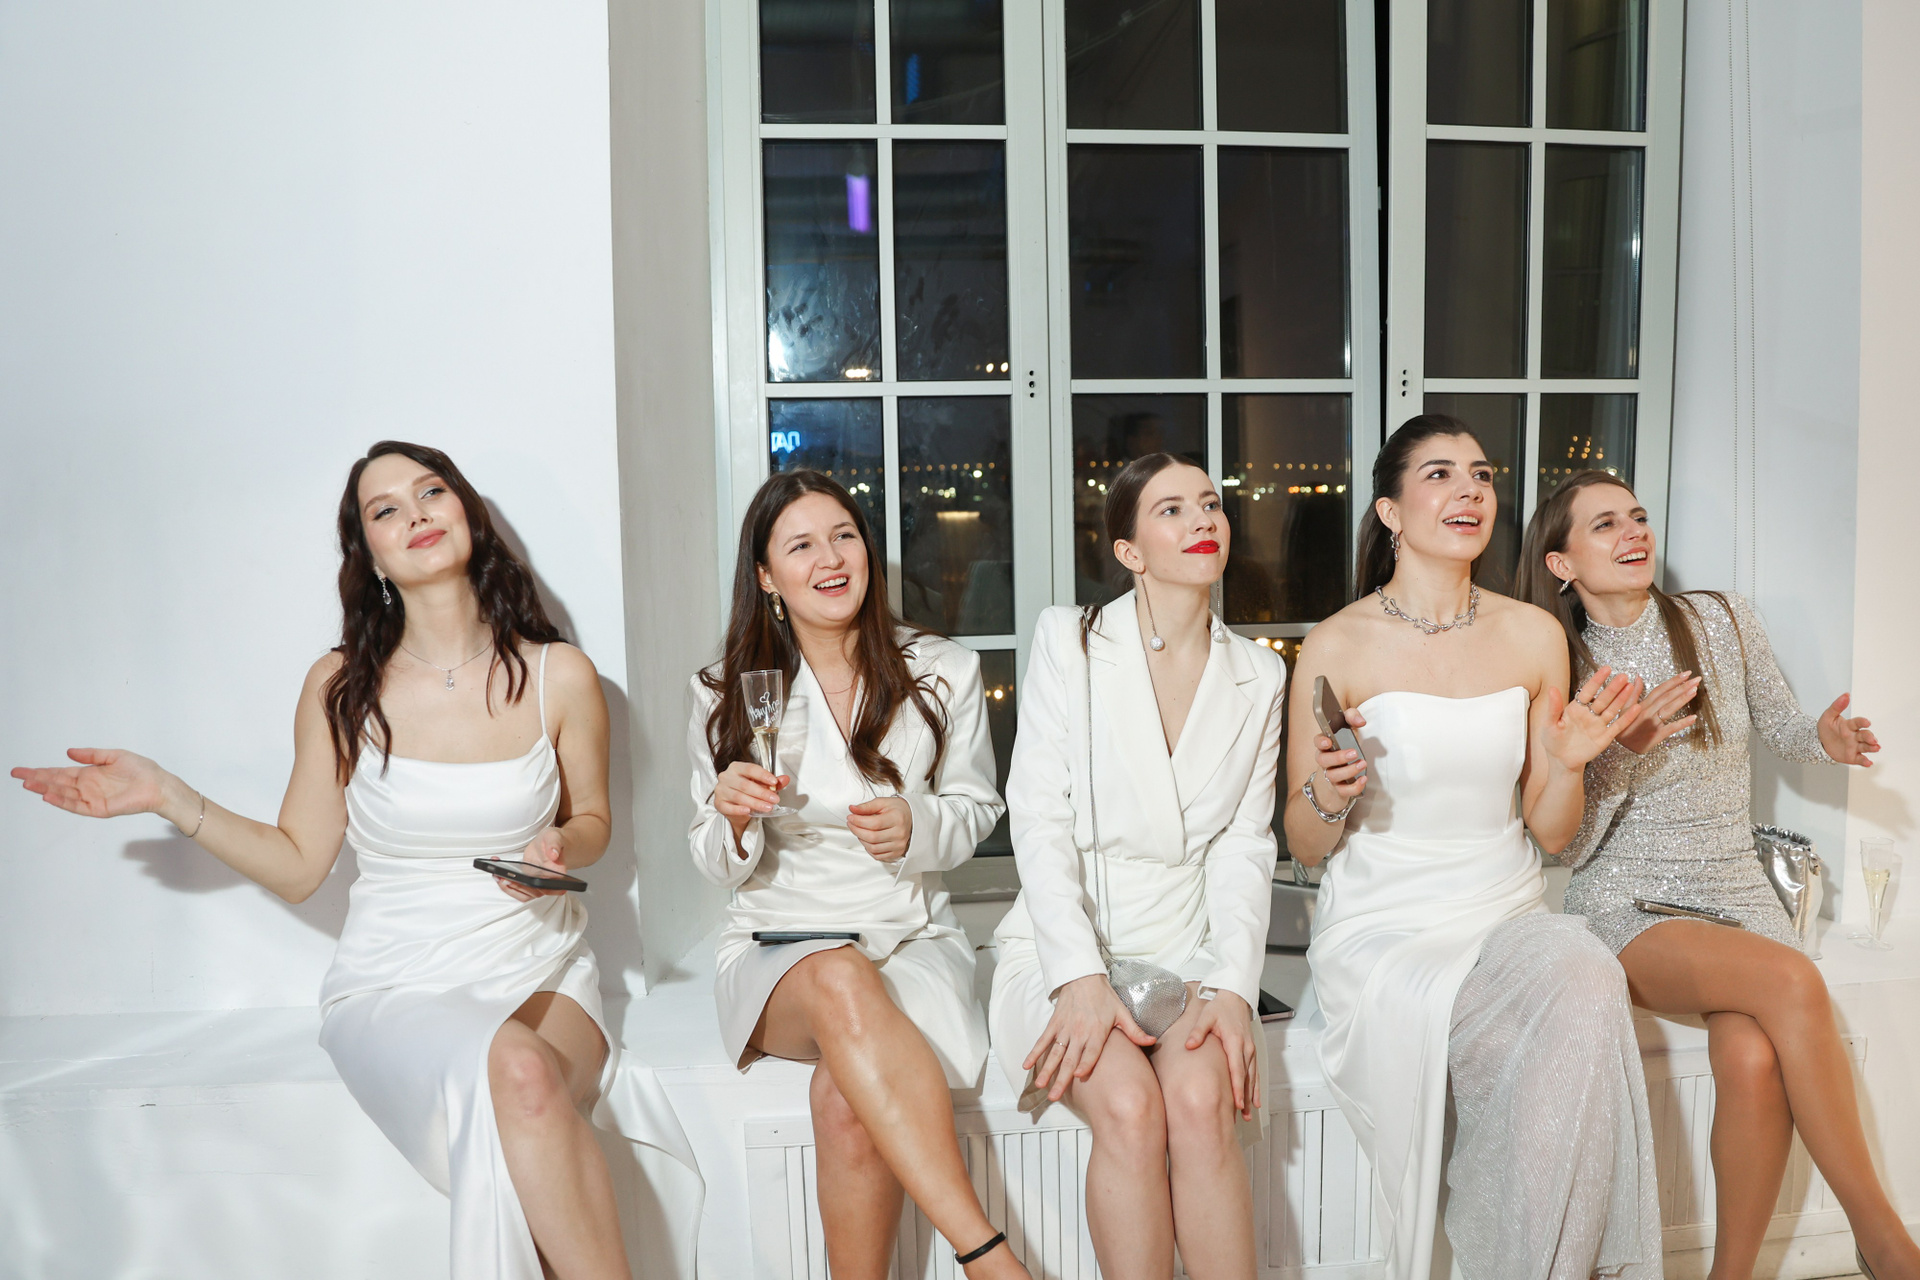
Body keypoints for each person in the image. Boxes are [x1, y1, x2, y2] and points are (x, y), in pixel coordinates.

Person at [10, 441, 688, 1280]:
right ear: (369, 555)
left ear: (468, 513)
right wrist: (169, 796)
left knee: (525, 1092)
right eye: (386, 510)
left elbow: (593, 821)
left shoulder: (562, 675)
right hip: (395, 979)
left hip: (539, 961)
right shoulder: (339, 688)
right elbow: (301, 864)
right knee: (516, 1077)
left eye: (431, 492)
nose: (416, 515)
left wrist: (558, 845)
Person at [1286, 416, 1663, 1280]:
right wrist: (1328, 794)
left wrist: (1570, 763)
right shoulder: (1337, 642)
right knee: (1519, 1056)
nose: (1470, 492)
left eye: (1482, 476)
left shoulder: (1533, 634)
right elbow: (1304, 842)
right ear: (1390, 511)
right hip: (1384, 925)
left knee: (1589, 974)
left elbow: (1551, 830)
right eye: (1441, 475)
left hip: (1502, 911)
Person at [1517, 469, 1916, 1280]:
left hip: (1739, 892)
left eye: (1636, 516)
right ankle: (1888, 1244)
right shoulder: (1562, 667)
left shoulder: (1721, 619)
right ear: (1561, 564)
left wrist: (1821, 740)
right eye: (1604, 525)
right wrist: (1625, 753)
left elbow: (1779, 724)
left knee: (1752, 1060)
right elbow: (1567, 845)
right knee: (1795, 982)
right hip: (1630, 904)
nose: (1633, 532)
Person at [686, 469, 1026, 1280]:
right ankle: (989, 1258)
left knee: (844, 1098)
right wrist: (732, 817)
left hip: (911, 940)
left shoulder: (942, 668)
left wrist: (920, 823)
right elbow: (711, 858)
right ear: (768, 576)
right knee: (837, 974)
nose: (831, 558)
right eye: (801, 545)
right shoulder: (723, 690)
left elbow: (978, 807)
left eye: (844, 536)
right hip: (776, 950)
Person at [990, 452, 1285, 1280]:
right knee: (1126, 1105)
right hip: (1059, 952)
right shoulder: (1070, 641)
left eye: (1210, 504)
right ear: (1129, 551)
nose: (1202, 521)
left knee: (1200, 1099)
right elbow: (1038, 817)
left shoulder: (1260, 675)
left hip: (1188, 954)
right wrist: (1077, 977)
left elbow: (1245, 846)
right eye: (1171, 510)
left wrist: (1232, 988)